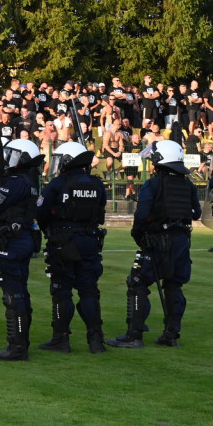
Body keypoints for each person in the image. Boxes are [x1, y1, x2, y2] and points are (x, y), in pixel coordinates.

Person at [108, 140, 201, 348]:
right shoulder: (188, 184)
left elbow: (142, 215)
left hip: (158, 240)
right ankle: (171, 334)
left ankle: (134, 335)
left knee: (137, 282)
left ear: (160, 160)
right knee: (174, 285)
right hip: (181, 241)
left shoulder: (154, 183)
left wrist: (139, 234)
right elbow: (197, 212)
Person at [36, 141, 108, 353]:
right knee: (89, 291)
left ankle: (61, 337)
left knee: (62, 290)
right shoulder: (97, 184)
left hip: (63, 240)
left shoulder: (58, 184)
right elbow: (100, 213)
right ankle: (96, 339)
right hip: (89, 240)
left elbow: (41, 213)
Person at [0, 139, 44, 361]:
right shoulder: (31, 180)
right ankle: (21, 342)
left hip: (13, 240)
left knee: (13, 295)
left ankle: (17, 346)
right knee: (21, 292)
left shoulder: (17, 182)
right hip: (23, 237)